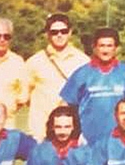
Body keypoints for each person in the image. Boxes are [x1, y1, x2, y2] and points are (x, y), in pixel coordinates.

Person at [59, 27, 125, 144]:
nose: (105, 50)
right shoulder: (82, 73)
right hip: (88, 140)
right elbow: (65, 104)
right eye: (102, 46)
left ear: (116, 48)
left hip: (120, 140)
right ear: (94, 47)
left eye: (109, 46)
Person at [25, 13, 90, 141]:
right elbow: (25, 96)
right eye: (54, 32)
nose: (59, 35)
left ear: (70, 32)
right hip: (42, 132)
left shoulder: (83, 61)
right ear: (47, 34)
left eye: (63, 31)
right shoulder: (34, 62)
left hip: (73, 132)